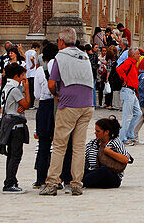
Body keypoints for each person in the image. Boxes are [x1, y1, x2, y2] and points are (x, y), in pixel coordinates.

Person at [41, 28, 95, 197]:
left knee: (59, 145)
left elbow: (51, 83)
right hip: (87, 104)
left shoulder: (60, 57)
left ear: (62, 42)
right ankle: (77, 184)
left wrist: (57, 95)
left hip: (69, 104)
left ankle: (51, 183)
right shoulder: (84, 55)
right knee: (79, 147)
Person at [0, 62, 31, 193]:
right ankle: (9, 183)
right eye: (23, 75)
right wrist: (27, 89)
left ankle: (11, 180)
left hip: (7, 122)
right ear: (17, 76)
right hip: (15, 126)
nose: (24, 78)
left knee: (11, 154)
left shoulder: (6, 87)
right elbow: (27, 104)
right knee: (16, 155)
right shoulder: (15, 89)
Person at [82, 117, 133, 188]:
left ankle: (81, 183)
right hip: (93, 174)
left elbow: (126, 159)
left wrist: (109, 152)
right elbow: (84, 160)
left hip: (111, 177)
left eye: (98, 131)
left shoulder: (115, 142)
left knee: (104, 170)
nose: (95, 133)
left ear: (106, 132)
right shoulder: (92, 143)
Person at [32, 42, 57, 189]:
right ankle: (57, 177)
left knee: (43, 145)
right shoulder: (58, 68)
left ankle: (40, 178)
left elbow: (36, 94)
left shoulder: (40, 71)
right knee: (59, 145)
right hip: (56, 106)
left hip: (43, 107)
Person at [115, 47, 142, 147]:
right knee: (127, 116)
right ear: (133, 55)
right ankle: (122, 138)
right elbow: (119, 69)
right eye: (138, 54)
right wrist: (124, 78)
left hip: (132, 91)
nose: (139, 56)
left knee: (138, 113)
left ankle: (130, 134)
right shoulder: (128, 62)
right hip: (127, 90)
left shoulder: (132, 63)